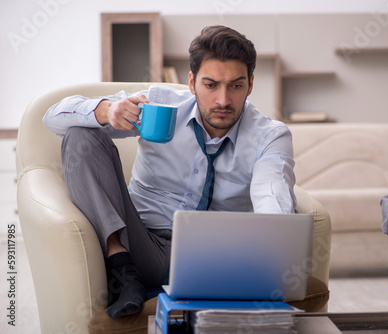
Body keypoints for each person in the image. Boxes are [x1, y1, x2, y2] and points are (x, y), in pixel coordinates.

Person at [43, 25, 296, 318]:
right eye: (211, 85)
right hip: (138, 242)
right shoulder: (157, 105)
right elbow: (53, 118)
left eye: (236, 86)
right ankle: (123, 271)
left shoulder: (269, 136)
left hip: (209, 257)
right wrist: (106, 110)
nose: (223, 101)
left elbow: (272, 194)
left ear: (250, 85)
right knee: (81, 134)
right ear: (191, 82)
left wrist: (276, 246)